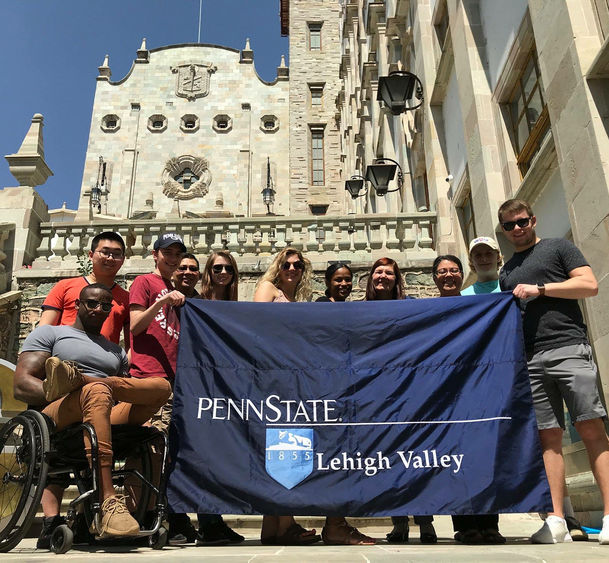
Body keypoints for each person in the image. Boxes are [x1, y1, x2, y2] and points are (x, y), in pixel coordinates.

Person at [14, 284, 171, 546]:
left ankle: (79, 379)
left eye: (105, 306)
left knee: (161, 388)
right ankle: (108, 500)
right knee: (97, 389)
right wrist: (59, 390)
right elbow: (21, 384)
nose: (99, 309)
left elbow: (124, 393)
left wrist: (84, 382)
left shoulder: (116, 351)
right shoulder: (52, 334)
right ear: (78, 305)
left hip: (103, 408)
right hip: (61, 410)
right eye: (92, 303)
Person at [498, 199, 609, 545]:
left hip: (569, 348)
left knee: (591, 427)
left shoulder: (559, 247)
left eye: (521, 221)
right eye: (509, 225)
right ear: (503, 230)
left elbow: (589, 285)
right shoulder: (506, 273)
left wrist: (541, 289)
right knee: (548, 439)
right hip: (531, 360)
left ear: (533, 219)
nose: (517, 229)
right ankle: (557, 519)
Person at [171, 251, 245, 546]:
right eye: (217, 268)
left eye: (228, 268)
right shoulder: (196, 304)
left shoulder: (237, 309)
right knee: (196, 453)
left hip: (224, 388)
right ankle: (191, 520)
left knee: (216, 455)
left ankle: (212, 520)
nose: (223, 272)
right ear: (208, 273)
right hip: (196, 386)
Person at [432, 254, 505, 544]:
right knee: (453, 460)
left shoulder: (478, 304)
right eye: (442, 272)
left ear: (463, 274)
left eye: (453, 270)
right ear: (434, 277)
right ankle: (464, 524)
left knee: (484, 457)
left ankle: (490, 523)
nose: (448, 276)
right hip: (445, 396)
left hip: (480, 390)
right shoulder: (427, 309)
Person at [365, 257, 437, 544]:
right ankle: (399, 522)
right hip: (377, 395)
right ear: (371, 277)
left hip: (411, 393)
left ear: (397, 279)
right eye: (378, 272)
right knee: (389, 460)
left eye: (389, 273)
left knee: (417, 457)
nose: (383, 277)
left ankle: (426, 522)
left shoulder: (412, 307)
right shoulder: (359, 311)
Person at [254, 248, 319, 545]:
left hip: (293, 379)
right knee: (282, 446)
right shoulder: (269, 288)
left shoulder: (299, 301)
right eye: (286, 264)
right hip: (273, 378)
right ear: (277, 268)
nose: (291, 269)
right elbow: (256, 328)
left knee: (285, 446)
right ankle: (286, 523)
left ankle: (274, 526)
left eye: (297, 265)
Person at [128, 233, 189, 544]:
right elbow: (135, 325)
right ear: (155, 254)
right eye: (168, 252)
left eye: (177, 253)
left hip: (170, 382)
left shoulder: (172, 290)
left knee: (158, 453)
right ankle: (139, 519)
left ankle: (149, 518)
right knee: (148, 451)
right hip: (148, 378)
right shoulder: (145, 283)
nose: (173, 257)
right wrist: (163, 301)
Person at [312, 263, 376, 545]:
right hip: (329, 393)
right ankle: (335, 524)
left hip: (351, 392)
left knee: (346, 458)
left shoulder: (353, 309)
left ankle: (338, 522)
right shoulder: (321, 306)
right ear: (327, 282)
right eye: (338, 279)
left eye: (347, 280)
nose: (343, 284)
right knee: (334, 457)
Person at [39, 231, 130, 346]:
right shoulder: (65, 286)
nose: (110, 258)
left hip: (103, 360)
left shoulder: (126, 299)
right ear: (91, 255)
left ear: (123, 259)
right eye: (105, 252)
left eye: (116, 254)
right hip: (63, 357)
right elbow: (44, 330)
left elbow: (132, 345)